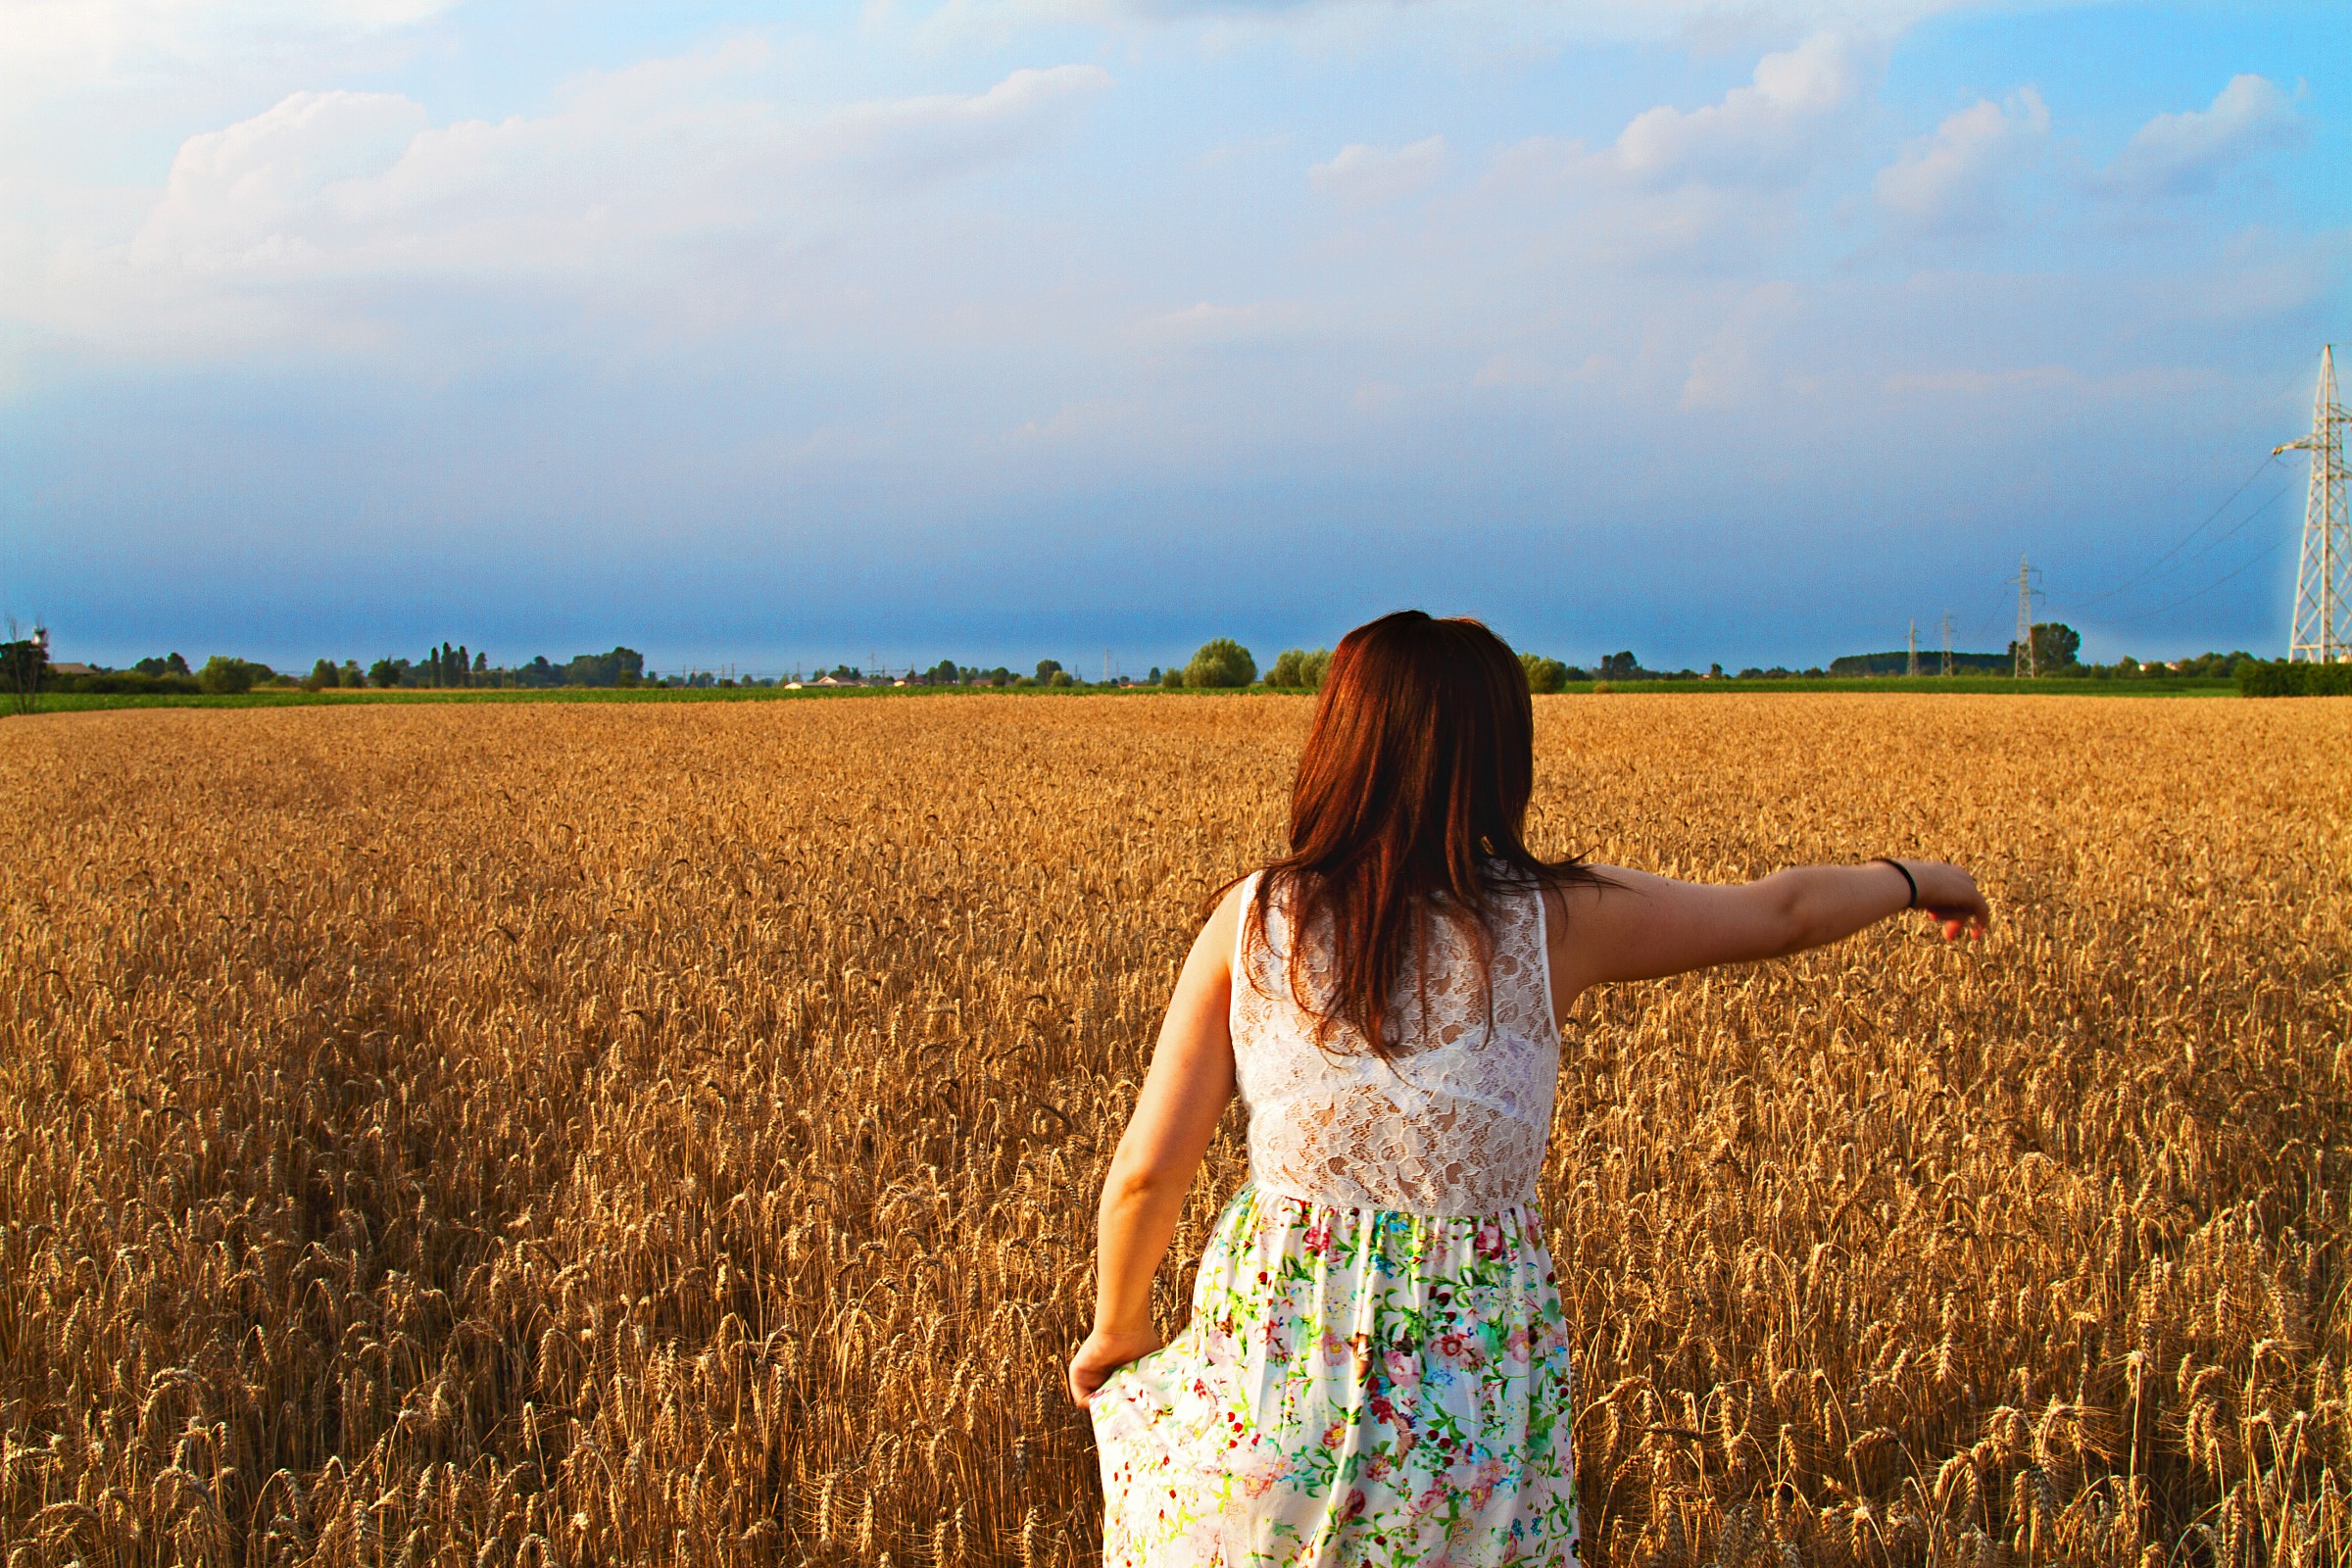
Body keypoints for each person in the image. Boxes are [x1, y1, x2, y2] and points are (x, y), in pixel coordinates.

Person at [1068, 611, 1990, 1568]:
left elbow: (1145, 1174)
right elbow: (1783, 912)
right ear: (1501, 754)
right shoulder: (1553, 917)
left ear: (1338, 741)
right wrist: (1918, 877)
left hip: (1276, 1371)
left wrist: (1118, 1328)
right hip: (1470, 1387)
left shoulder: (1255, 916)